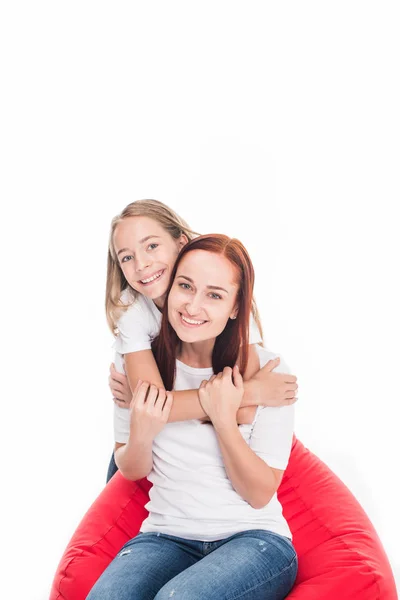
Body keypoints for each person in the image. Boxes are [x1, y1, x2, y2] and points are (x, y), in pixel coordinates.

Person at [87, 234, 298, 600]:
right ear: (169, 289)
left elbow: (259, 493)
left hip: (254, 539)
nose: (193, 306)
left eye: (214, 295)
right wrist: (142, 430)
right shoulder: (141, 367)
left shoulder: (267, 371)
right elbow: (131, 467)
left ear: (235, 307)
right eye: (185, 286)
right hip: (165, 535)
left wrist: (223, 418)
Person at [106, 199, 298, 482]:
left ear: (181, 243)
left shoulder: (221, 282)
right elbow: (152, 407)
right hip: (143, 451)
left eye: (151, 246)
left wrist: (158, 407)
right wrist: (253, 392)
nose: (142, 265)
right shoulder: (132, 308)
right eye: (127, 257)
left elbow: (245, 417)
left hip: (204, 460)